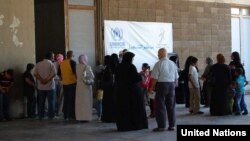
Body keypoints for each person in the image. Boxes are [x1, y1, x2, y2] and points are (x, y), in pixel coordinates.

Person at [115, 52, 148, 131]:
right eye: (132, 59)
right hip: (132, 92)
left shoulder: (119, 66)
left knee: (124, 109)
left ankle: (124, 126)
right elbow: (135, 78)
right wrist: (140, 75)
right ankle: (135, 125)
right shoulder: (131, 66)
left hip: (121, 92)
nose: (132, 60)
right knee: (134, 108)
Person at [149, 48, 179, 131]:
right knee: (171, 105)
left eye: (158, 54)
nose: (158, 55)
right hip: (172, 85)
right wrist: (174, 85)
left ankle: (162, 126)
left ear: (161, 54)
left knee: (160, 106)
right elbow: (176, 77)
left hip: (162, 85)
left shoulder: (158, 64)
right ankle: (172, 125)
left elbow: (155, 78)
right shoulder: (173, 63)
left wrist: (151, 87)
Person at [34, 52, 56, 119]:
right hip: (50, 86)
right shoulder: (51, 64)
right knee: (51, 102)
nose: (54, 58)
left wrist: (41, 80)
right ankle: (51, 116)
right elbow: (54, 74)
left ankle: (41, 116)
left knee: (41, 102)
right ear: (51, 57)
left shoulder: (38, 64)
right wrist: (46, 80)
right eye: (53, 56)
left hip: (41, 87)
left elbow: (35, 74)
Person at [75, 54, 95, 121]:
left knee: (79, 102)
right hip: (86, 87)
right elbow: (92, 76)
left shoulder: (77, 66)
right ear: (84, 59)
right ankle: (86, 117)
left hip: (79, 87)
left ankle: (79, 117)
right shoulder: (87, 67)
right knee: (86, 102)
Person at [58, 50, 77, 120]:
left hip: (65, 84)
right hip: (72, 83)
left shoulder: (62, 63)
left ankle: (65, 114)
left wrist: (63, 80)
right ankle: (71, 115)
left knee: (66, 99)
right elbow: (75, 73)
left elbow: (59, 75)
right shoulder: (72, 62)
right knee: (72, 100)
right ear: (72, 55)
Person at [101, 55, 116, 123]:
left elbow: (109, 80)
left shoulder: (108, 68)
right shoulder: (110, 67)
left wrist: (103, 84)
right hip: (110, 89)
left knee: (107, 104)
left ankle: (108, 117)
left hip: (108, 89)